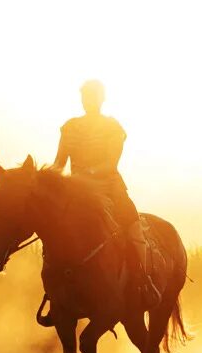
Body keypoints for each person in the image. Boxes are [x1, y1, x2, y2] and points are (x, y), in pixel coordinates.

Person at [51, 79, 161, 307]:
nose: (87, 101)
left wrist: (86, 175)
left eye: (92, 96)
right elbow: (59, 163)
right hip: (75, 191)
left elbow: (110, 163)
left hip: (109, 187)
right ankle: (54, 290)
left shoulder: (113, 127)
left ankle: (143, 279)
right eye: (84, 97)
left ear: (101, 99)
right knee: (52, 226)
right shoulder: (70, 127)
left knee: (131, 222)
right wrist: (44, 178)